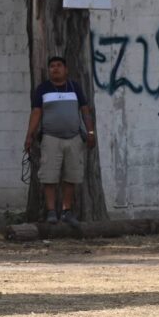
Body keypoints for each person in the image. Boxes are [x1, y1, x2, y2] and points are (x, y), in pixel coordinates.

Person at [24, 55, 96, 226]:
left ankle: (66, 210)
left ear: (66, 69)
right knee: (49, 176)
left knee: (71, 176)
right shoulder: (43, 89)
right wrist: (29, 135)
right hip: (50, 138)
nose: (55, 69)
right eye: (52, 66)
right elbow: (36, 113)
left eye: (59, 66)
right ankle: (50, 212)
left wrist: (91, 132)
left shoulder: (74, 87)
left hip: (74, 138)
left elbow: (85, 111)